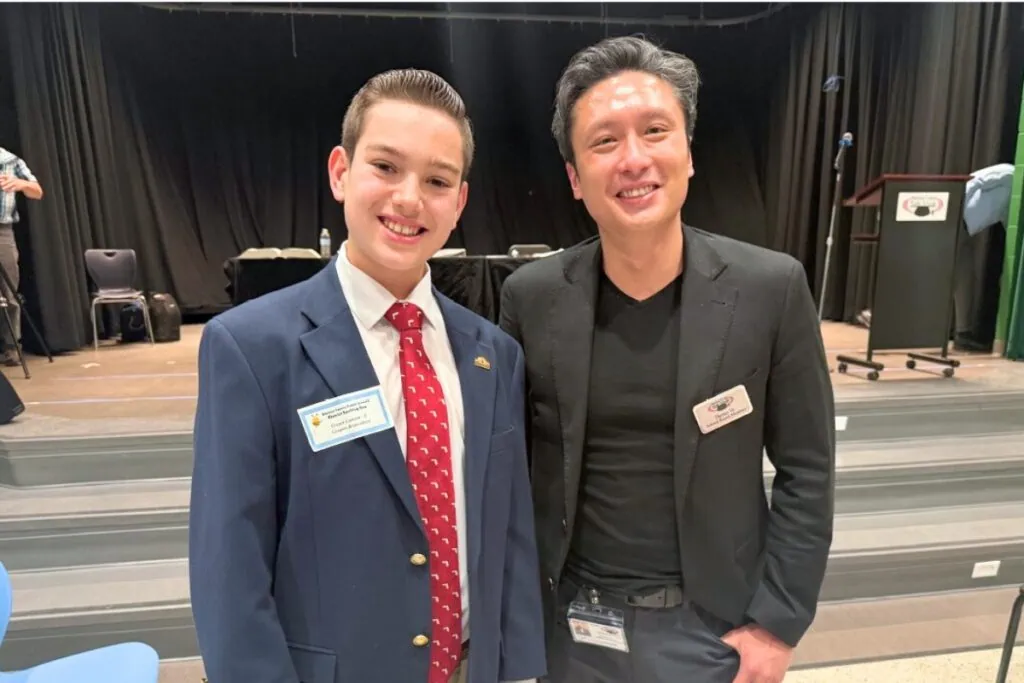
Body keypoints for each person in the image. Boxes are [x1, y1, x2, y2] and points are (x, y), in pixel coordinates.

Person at [189, 69, 546, 683]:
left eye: (437, 181)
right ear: (340, 172)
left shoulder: (492, 354)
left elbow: (508, 536)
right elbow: (229, 570)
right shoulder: (251, 348)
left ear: (459, 203)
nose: (409, 199)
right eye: (385, 167)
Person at [499, 36, 836, 683]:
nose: (634, 159)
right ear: (575, 178)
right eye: (604, 141)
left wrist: (777, 622)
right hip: (569, 631)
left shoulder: (770, 289)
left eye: (655, 131)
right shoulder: (531, 297)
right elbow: (509, 470)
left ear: (688, 153)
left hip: (711, 630)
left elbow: (808, 469)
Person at [0, 147, 44, 366]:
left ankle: (11, 347)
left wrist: (21, 184)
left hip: (3, 231)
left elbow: (37, 191)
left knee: (9, 292)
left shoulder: (10, 160)